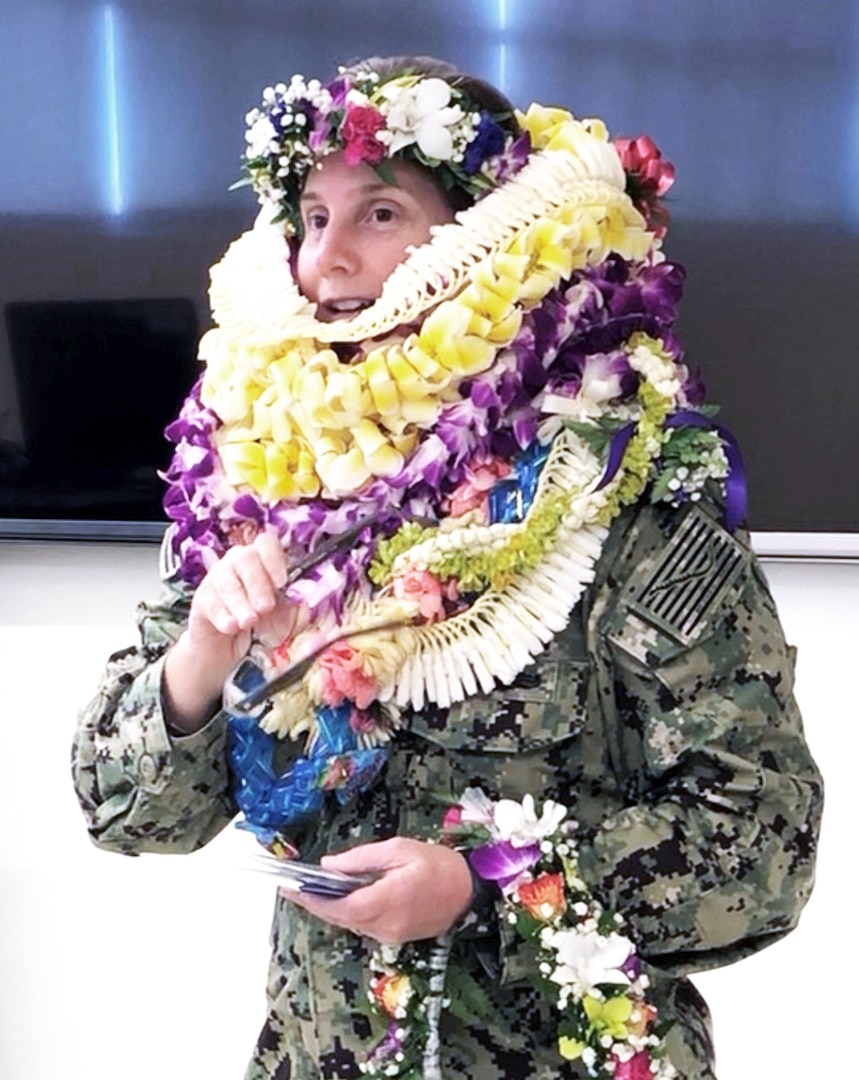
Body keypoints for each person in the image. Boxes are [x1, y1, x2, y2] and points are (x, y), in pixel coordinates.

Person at [72, 55, 822, 1080]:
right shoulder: (268, 494)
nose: (325, 261)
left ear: (487, 239)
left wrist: (487, 887)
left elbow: (762, 843)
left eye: (378, 214)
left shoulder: (619, 495)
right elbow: (124, 811)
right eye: (310, 216)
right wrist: (202, 653)